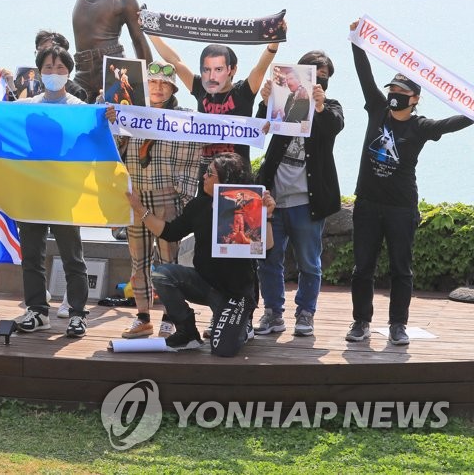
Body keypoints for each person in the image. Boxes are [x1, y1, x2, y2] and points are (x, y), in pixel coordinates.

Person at [346, 19, 472, 346]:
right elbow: (364, 75)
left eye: (402, 92)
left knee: (401, 270)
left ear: (415, 98)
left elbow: (452, 122)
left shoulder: (421, 126)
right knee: (363, 268)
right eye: (393, 90)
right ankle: (360, 322)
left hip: (401, 208)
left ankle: (397, 325)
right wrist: (357, 40)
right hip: (368, 204)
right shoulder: (376, 110)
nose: (394, 95)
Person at [128, 153, 275, 350]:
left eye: (209, 173)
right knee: (162, 274)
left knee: (222, 350)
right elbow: (170, 232)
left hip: (236, 294)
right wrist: (139, 208)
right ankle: (187, 332)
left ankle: (242, 323)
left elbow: (266, 250)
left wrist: (267, 216)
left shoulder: (247, 206)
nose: (203, 177)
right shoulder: (199, 205)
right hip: (205, 286)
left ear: (224, 180)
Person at [254, 50, 343, 337]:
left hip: (308, 202)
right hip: (273, 200)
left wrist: (319, 106)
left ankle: (306, 312)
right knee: (268, 258)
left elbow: (333, 127)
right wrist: (266, 101)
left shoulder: (331, 107)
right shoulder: (284, 101)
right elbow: (258, 128)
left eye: (323, 78)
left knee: (309, 262)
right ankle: (273, 313)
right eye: (312, 75)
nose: (318, 83)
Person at [111, 60, 202, 339]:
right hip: (135, 194)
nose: (158, 88)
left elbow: (193, 158)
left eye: (164, 83)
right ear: (145, 85)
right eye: (153, 82)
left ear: (173, 87)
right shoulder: (130, 114)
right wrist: (113, 123)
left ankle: (170, 316)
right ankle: (141, 317)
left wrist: (183, 196)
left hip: (167, 196)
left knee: (168, 263)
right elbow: (115, 152)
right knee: (137, 261)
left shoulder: (186, 117)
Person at [14, 45, 93, 339]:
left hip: (65, 194)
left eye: (60, 69)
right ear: (39, 72)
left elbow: (94, 140)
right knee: (32, 255)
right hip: (32, 192)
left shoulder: (79, 110)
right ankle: (37, 311)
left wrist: (107, 117)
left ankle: (77, 314)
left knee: (73, 256)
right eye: (48, 68)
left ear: (69, 72)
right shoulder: (26, 106)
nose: (54, 74)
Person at [149, 34, 282, 176]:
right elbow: (175, 61)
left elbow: (260, 68)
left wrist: (273, 44)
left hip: (237, 177)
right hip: (206, 177)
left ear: (232, 69)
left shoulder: (243, 92)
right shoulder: (201, 89)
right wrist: (151, 33)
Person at [34, 29, 88, 102]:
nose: (53, 72)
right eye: (40, 51)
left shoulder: (76, 93)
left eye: (49, 49)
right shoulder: (29, 85)